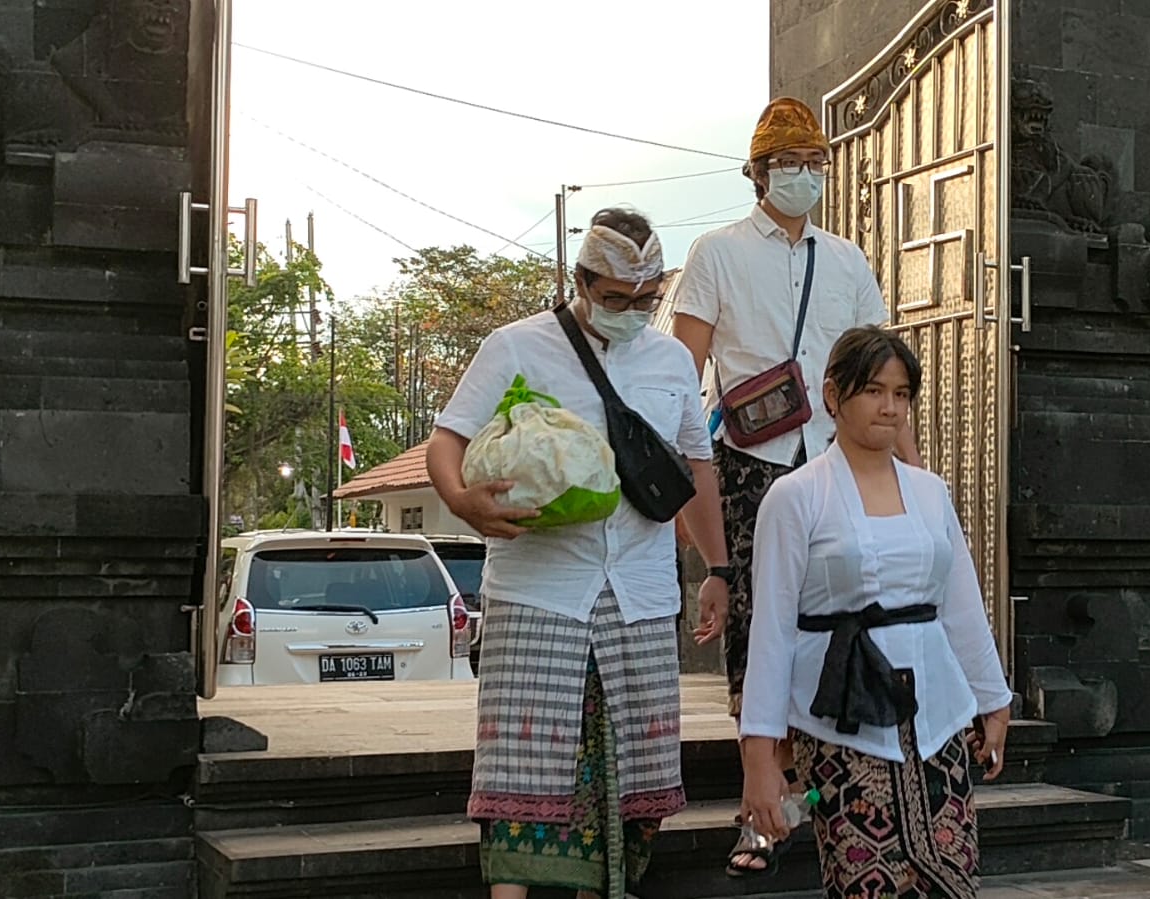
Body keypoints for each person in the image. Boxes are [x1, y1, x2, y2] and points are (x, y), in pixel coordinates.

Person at [427, 208, 730, 899]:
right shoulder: (514, 347)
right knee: (520, 771)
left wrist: (718, 568)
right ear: (581, 280)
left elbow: (697, 467)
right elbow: (448, 438)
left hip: (640, 590)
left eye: (645, 301)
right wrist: (463, 500)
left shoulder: (669, 361)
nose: (630, 313)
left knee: (635, 774)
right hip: (539, 587)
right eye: (615, 298)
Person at [668, 96, 923, 875]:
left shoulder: (844, 260)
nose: (804, 176)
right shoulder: (715, 253)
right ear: (757, 172)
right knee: (759, 629)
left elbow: (884, 373)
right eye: (790, 165)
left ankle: (849, 793)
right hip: (753, 462)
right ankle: (760, 812)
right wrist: (701, 535)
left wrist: (913, 485)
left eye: (815, 165)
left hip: (841, 460)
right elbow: (680, 380)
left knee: (853, 619)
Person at [738, 327, 1013, 899]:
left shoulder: (930, 492)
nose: (890, 407)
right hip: (843, 722)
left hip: (938, 718)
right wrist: (759, 758)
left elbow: (960, 603)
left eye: (902, 393)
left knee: (952, 881)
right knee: (866, 881)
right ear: (833, 396)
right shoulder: (796, 497)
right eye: (873, 391)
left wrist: (993, 700)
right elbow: (770, 631)